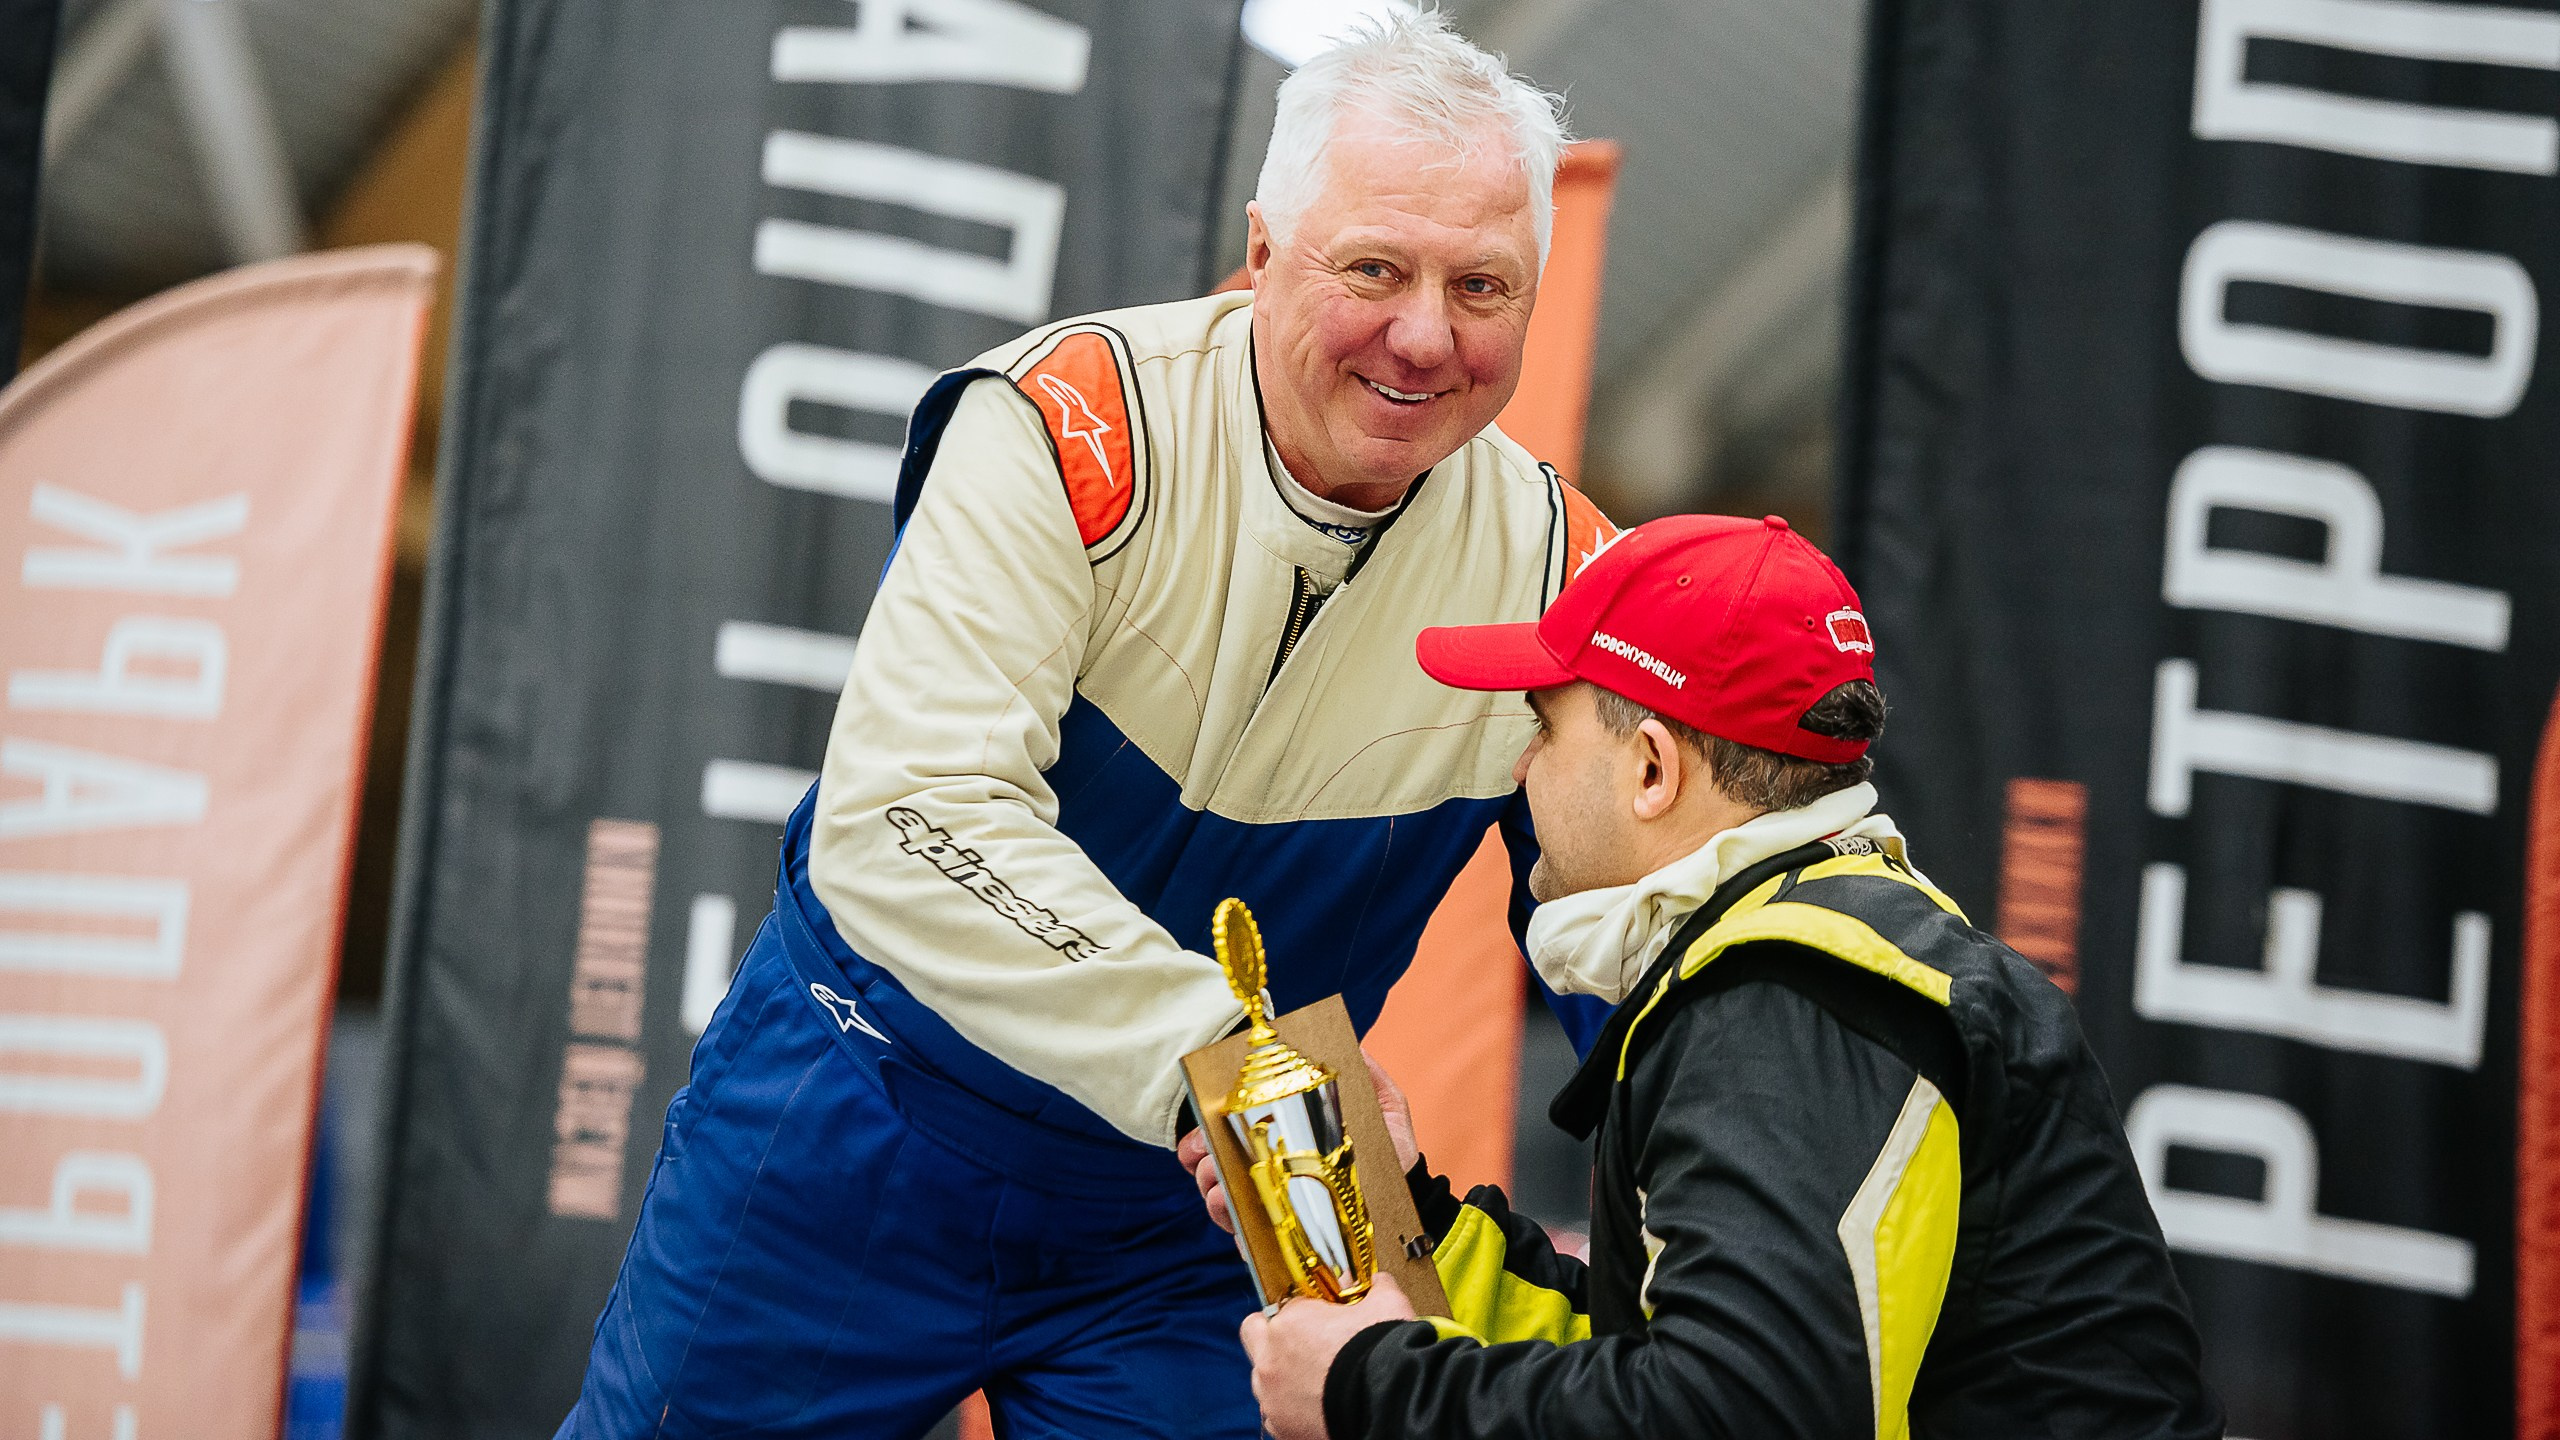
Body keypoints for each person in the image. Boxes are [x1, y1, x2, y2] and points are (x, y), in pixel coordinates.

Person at [556, 15, 1614, 1440]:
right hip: (866, 1114)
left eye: (1481, 285)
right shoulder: (1067, 426)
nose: (1425, 335)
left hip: (1219, 1215)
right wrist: (1220, 1062)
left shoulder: (1565, 580)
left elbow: (1647, 940)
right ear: (1262, 253)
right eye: (1374, 268)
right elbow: (903, 819)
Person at [1193, 513, 2224, 1439]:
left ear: (1652, 770)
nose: (1521, 768)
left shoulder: (1786, 1000)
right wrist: (1407, 1218)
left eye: (1543, 726)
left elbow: (1738, 1410)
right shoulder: (1835, 952)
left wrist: (1372, 1390)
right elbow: (1648, 1353)